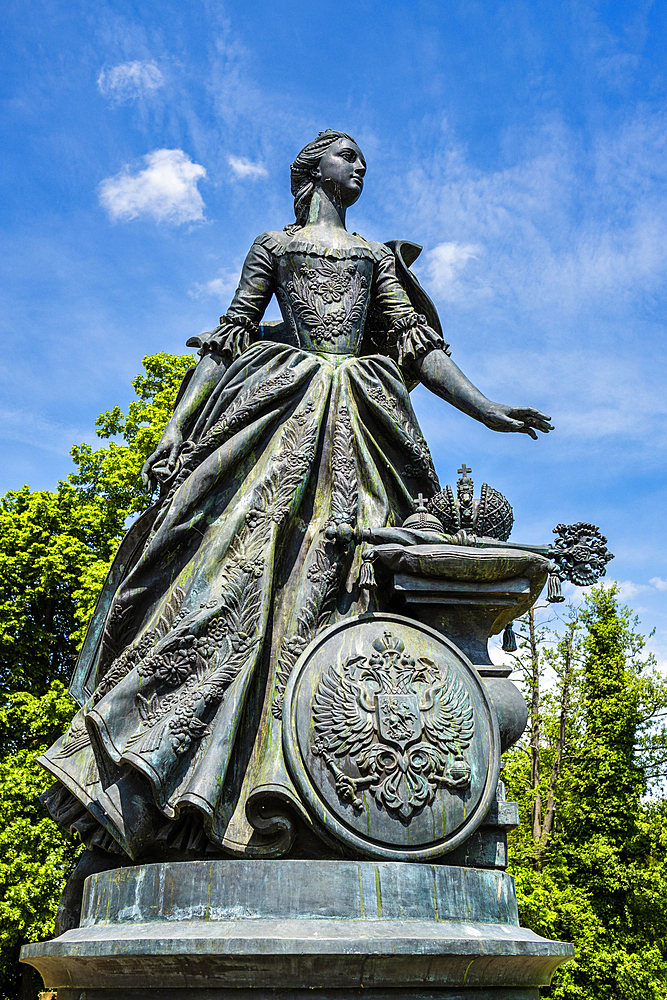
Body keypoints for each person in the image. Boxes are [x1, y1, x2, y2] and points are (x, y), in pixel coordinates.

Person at [40, 130, 552, 867]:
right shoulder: (272, 245)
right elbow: (226, 342)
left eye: (363, 159)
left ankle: (328, 771)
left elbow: (417, 349)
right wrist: (177, 429)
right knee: (230, 570)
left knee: (356, 578)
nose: (361, 166)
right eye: (347, 156)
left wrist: (488, 409)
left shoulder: (375, 257)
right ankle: (202, 774)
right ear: (313, 170)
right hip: (279, 405)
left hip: (365, 417)